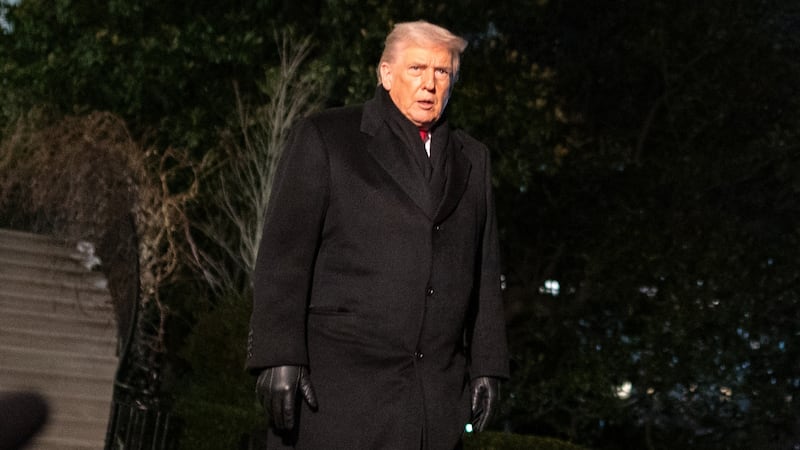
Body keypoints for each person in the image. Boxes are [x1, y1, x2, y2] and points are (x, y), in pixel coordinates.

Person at [247, 20, 509, 450]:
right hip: (337, 391)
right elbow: (284, 255)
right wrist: (278, 354)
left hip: (432, 396)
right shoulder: (327, 137)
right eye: (417, 69)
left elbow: (483, 268)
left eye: (442, 72)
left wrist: (488, 363)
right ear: (386, 74)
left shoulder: (473, 159)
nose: (429, 84)